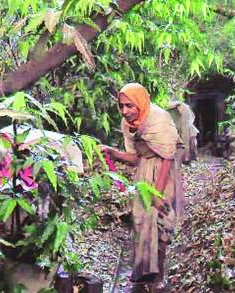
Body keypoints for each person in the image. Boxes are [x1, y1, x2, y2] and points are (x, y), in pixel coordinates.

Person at [101, 83, 184, 291]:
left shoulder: (159, 119)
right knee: (141, 221)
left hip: (164, 176)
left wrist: (157, 193)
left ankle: (158, 277)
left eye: (130, 105)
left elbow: (167, 157)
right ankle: (143, 272)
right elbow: (136, 158)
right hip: (144, 175)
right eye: (121, 106)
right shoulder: (128, 124)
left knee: (161, 222)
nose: (125, 111)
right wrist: (114, 152)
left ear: (140, 102)